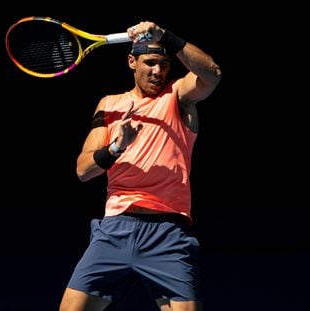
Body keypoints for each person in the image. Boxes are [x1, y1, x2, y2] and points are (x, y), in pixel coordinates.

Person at [59, 21, 221, 311]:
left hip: (168, 234)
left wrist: (167, 37)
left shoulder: (179, 97)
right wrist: (116, 147)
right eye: (150, 63)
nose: (158, 71)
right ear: (132, 61)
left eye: (164, 64)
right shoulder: (109, 105)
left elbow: (212, 74)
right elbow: (84, 171)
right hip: (115, 229)